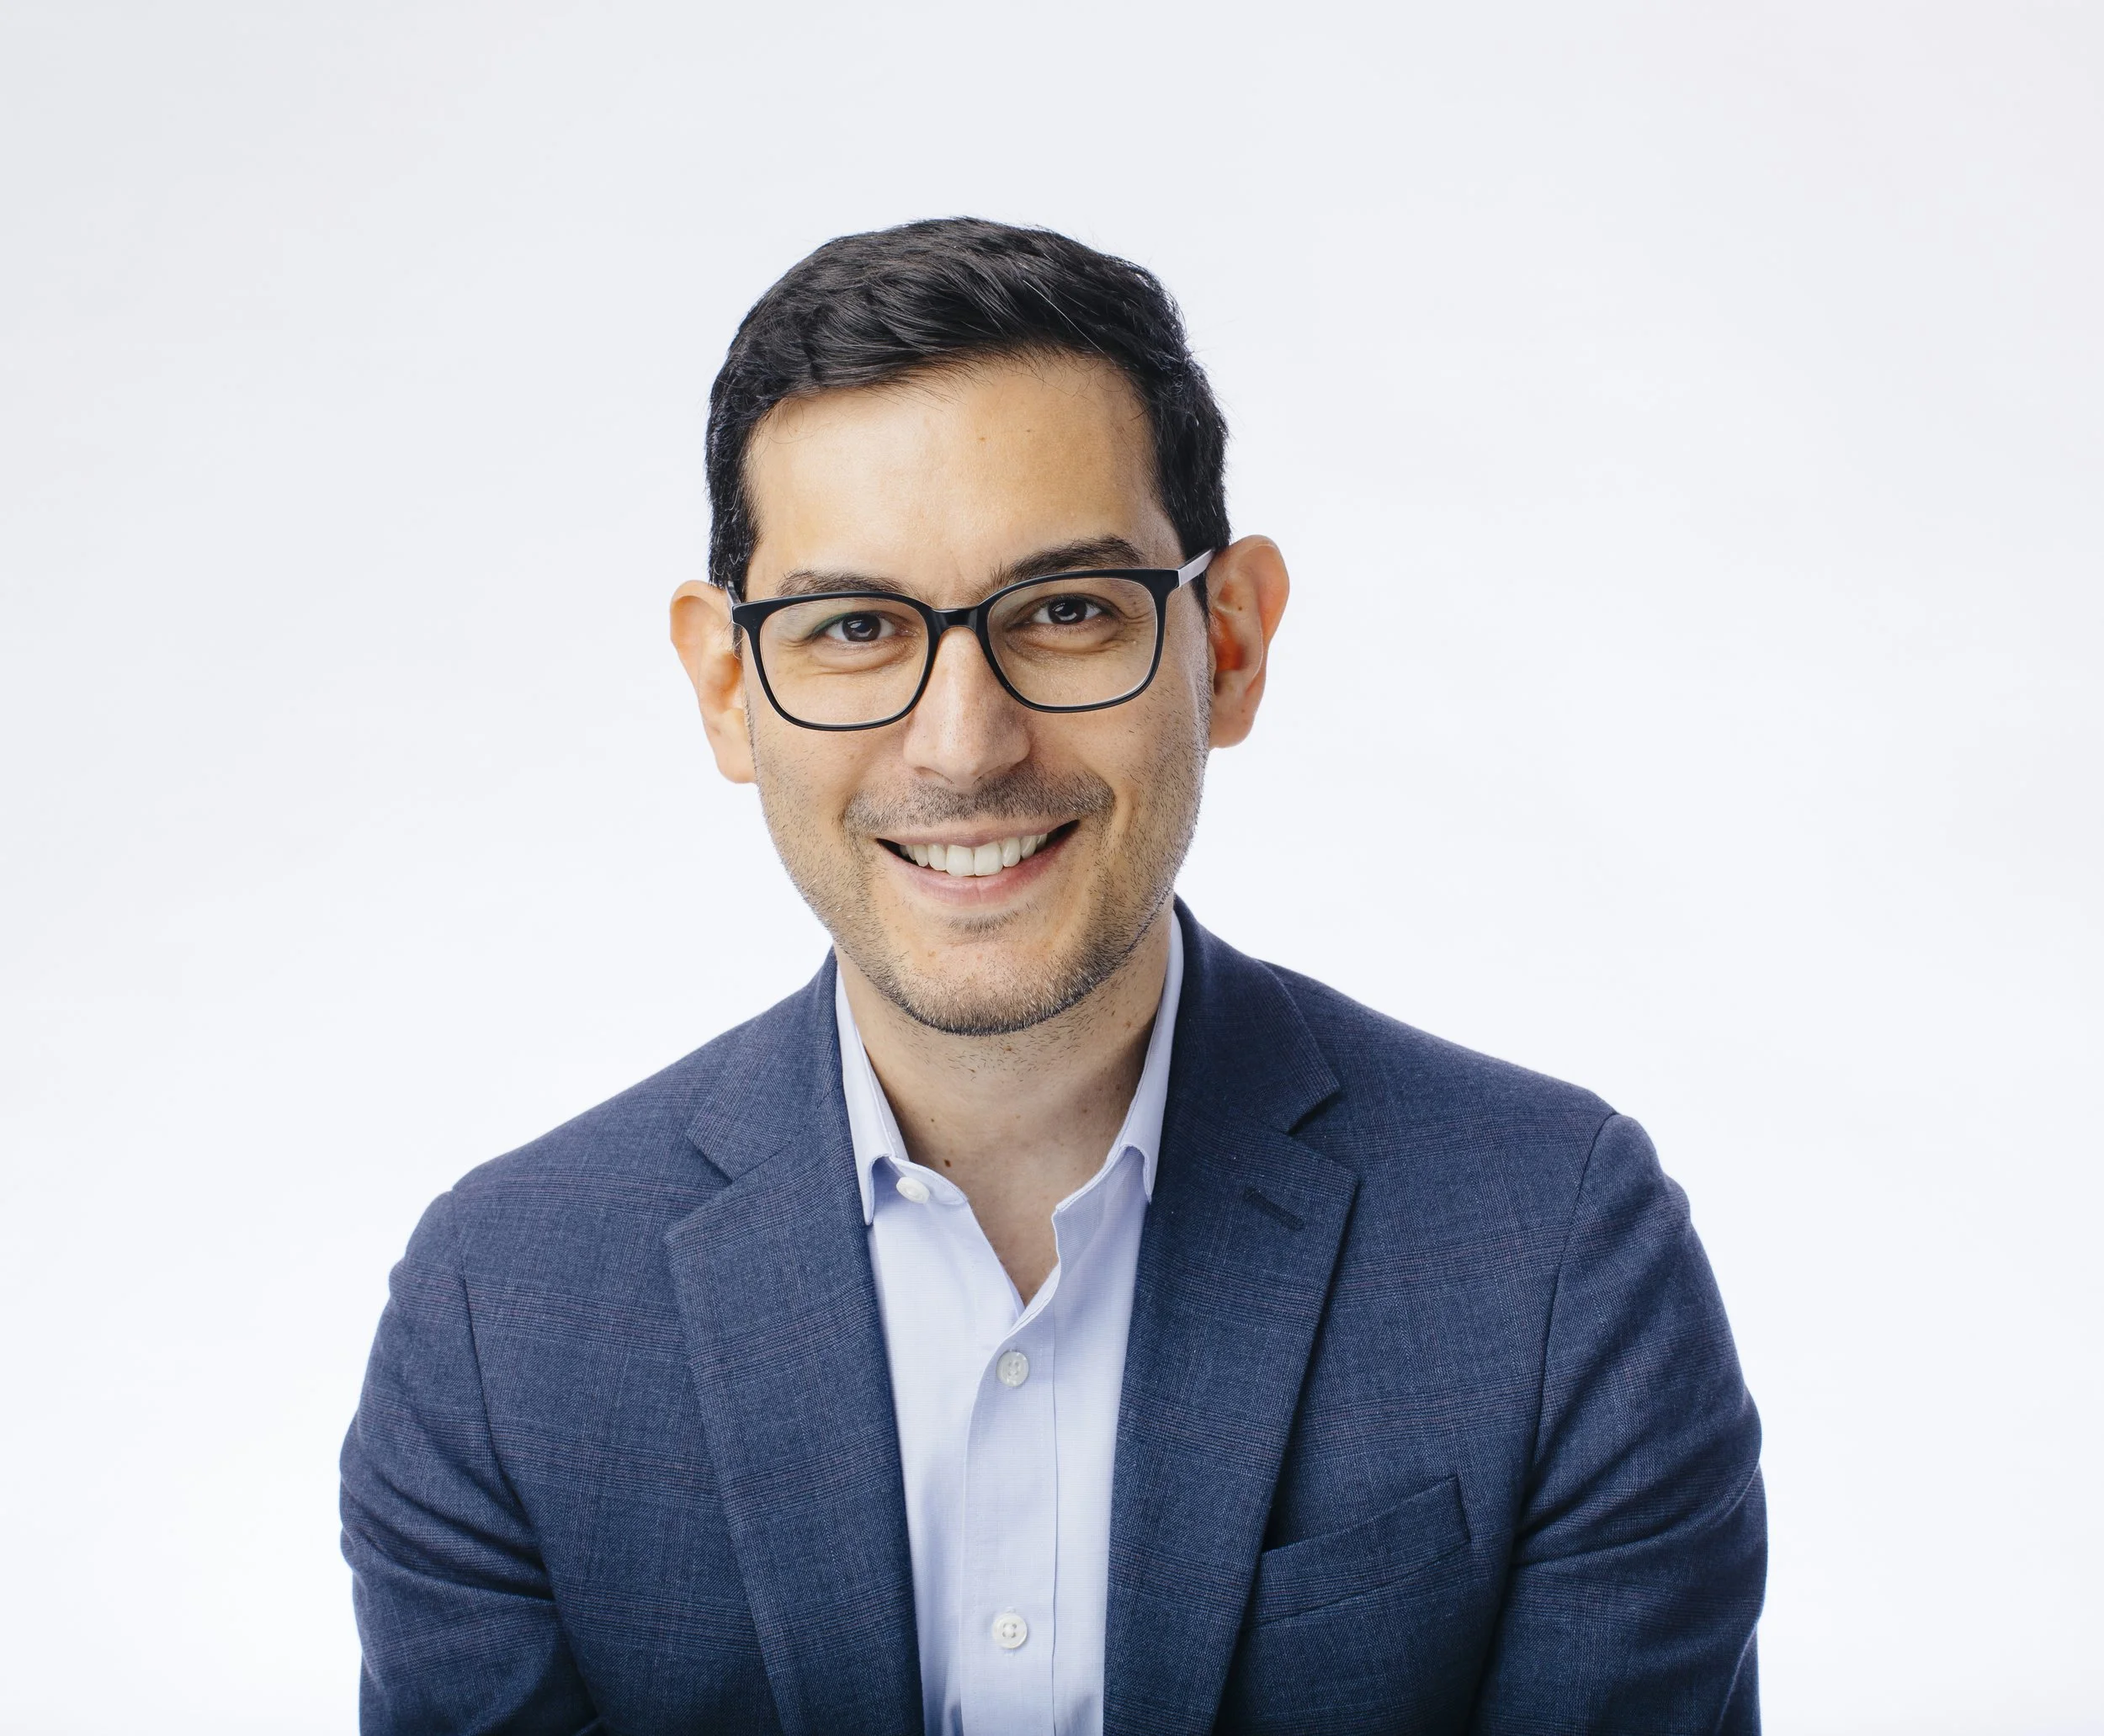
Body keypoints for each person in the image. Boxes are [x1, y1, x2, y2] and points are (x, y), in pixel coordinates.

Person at [339, 216, 1765, 1736]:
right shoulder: (506, 1319)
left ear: (1230, 641)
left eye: (1069, 611)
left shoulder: (1557, 1256)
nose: (963, 743)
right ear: (727, 688)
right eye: (855, 628)